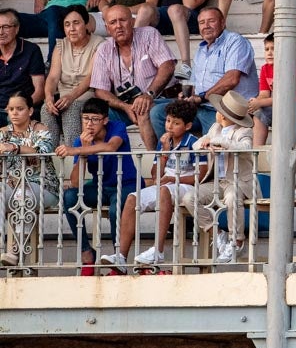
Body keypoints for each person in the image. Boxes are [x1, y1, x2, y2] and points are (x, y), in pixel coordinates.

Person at [100, 100, 205, 270]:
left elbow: (201, 175)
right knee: (132, 198)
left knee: (164, 190)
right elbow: (155, 175)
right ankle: (121, 256)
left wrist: (174, 180)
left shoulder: (193, 143)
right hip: (167, 185)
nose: (170, 126)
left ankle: (158, 250)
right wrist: (164, 152)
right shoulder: (163, 142)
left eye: (176, 123)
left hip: (187, 187)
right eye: (168, 121)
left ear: (187, 126)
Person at [56, 97, 139, 272]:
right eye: (85, 119)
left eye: (95, 119)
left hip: (127, 184)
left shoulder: (117, 127)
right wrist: (83, 153)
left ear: (105, 120)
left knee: (117, 209)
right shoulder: (81, 141)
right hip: (100, 187)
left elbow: (111, 147)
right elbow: (76, 182)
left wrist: (76, 150)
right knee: (70, 197)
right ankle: (87, 253)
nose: (89, 124)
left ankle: (119, 259)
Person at [150, 7, 258, 138]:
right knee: (157, 112)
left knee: (213, 149)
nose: (206, 26)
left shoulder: (235, 41)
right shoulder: (201, 50)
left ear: (223, 23)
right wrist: (188, 96)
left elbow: (231, 79)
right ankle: (170, 154)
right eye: (202, 22)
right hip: (200, 107)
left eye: (211, 21)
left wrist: (201, 97)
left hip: (224, 111)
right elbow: (195, 86)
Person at [89, 4, 176, 147]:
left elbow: (167, 66)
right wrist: (125, 107)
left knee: (142, 108)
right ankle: (106, 165)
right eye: (113, 22)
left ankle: (156, 162)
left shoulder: (149, 34)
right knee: (94, 116)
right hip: (126, 106)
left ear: (132, 22)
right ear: (107, 29)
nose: (118, 26)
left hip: (160, 99)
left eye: (122, 20)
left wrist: (149, 94)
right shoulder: (103, 49)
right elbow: (100, 90)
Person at [191, 90, 257, 264]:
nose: (216, 112)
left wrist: (221, 142)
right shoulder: (215, 128)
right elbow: (196, 145)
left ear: (224, 116)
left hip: (237, 182)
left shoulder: (244, 131)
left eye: (219, 110)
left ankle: (236, 241)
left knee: (231, 197)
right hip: (216, 182)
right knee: (189, 197)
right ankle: (218, 234)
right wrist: (206, 145)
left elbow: (245, 147)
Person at [0, 93, 55, 266]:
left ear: (30, 111)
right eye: (11, 109)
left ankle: (15, 251)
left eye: (20, 109)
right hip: (11, 184)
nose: (14, 113)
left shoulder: (41, 129)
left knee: (23, 194)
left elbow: (43, 152)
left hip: (43, 186)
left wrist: (15, 147)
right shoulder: (2, 133)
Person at [41, 5, 102, 148]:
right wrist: (49, 97)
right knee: (46, 109)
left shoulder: (99, 44)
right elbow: (52, 77)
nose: (71, 29)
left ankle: (74, 155)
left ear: (86, 24)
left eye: (76, 23)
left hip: (89, 95)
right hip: (63, 97)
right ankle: (48, 158)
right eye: (67, 24)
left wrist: (71, 97)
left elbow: (91, 77)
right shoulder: (61, 45)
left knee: (71, 107)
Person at [250, 34, 296, 146]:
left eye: (274, 48)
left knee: (282, 110)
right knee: (258, 113)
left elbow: (287, 96)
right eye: (267, 49)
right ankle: (257, 151)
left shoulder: (294, 65)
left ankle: (282, 150)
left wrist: (260, 102)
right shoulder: (265, 69)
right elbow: (264, 94)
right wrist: (254, 103)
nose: (269, 53)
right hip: (282, 103)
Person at [0, 7, 46, 124]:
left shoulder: (31, 50)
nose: (1, 32)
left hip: (21, 109)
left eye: (6, 27)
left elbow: (39, 92)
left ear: (17, 29)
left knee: (14, 119)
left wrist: (17, 108)